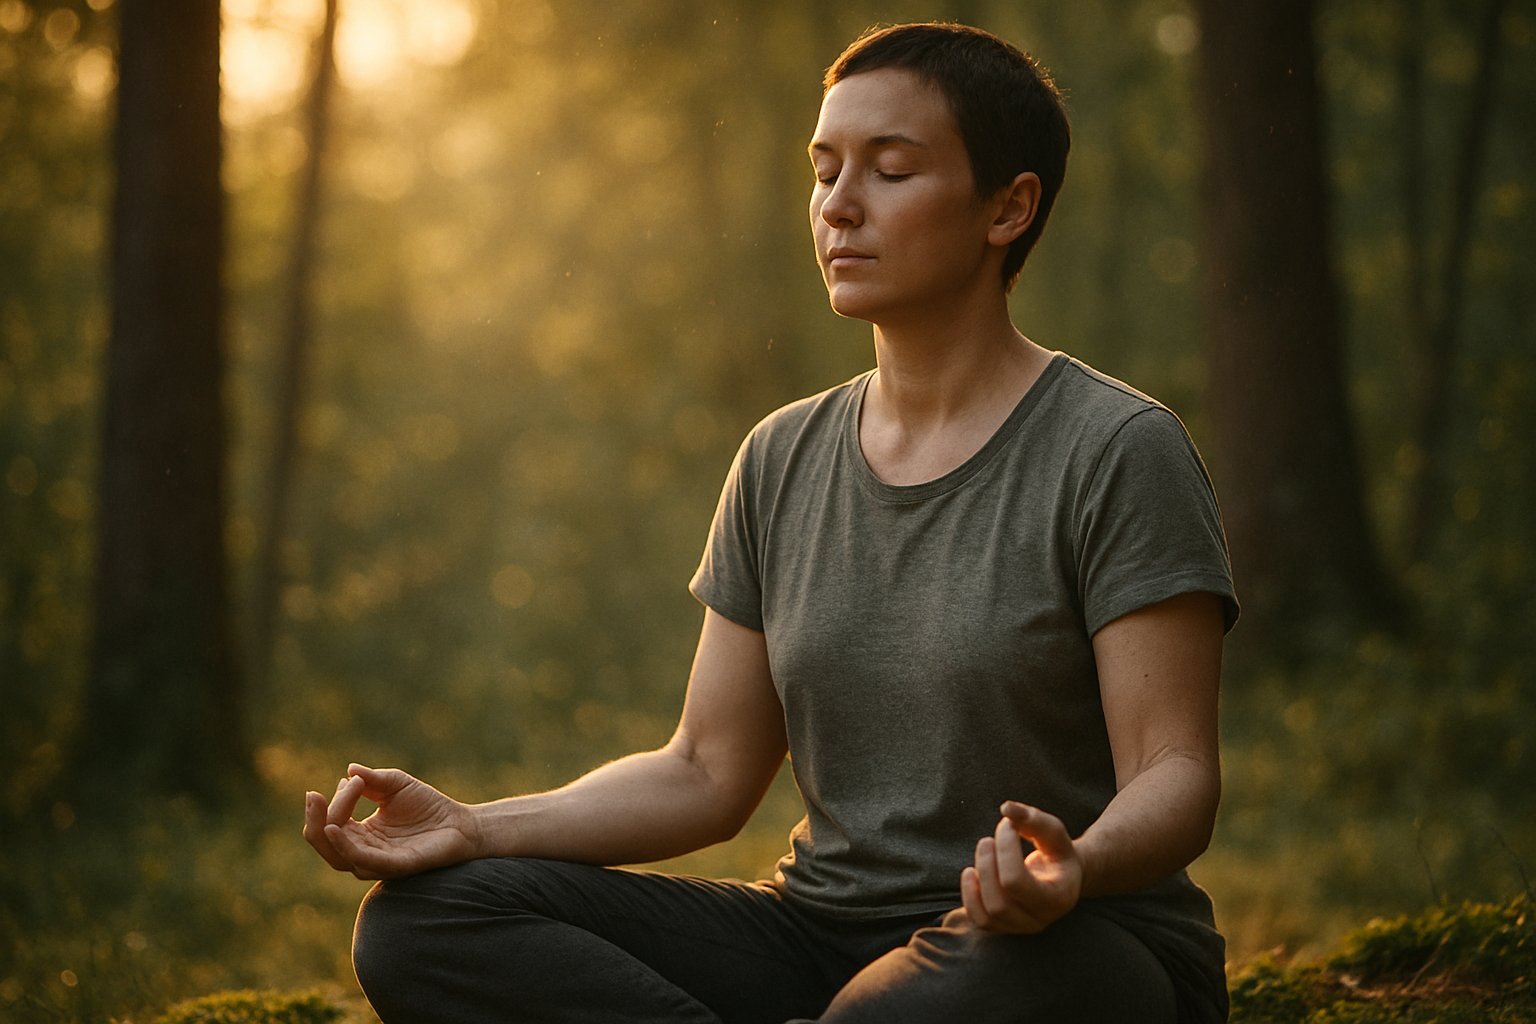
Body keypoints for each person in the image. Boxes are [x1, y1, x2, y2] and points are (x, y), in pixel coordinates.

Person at [304, 21, 1238, 1024]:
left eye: (891, 170)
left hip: (1057, 947)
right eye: (825, 169)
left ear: (1008, 207)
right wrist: (476, 827)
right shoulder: (781, 457)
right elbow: (705, 769)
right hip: (819, 939)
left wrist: (1075, 866)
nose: (839, 205)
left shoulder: (1115, 448)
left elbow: (1175, 772)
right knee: (426, 921)